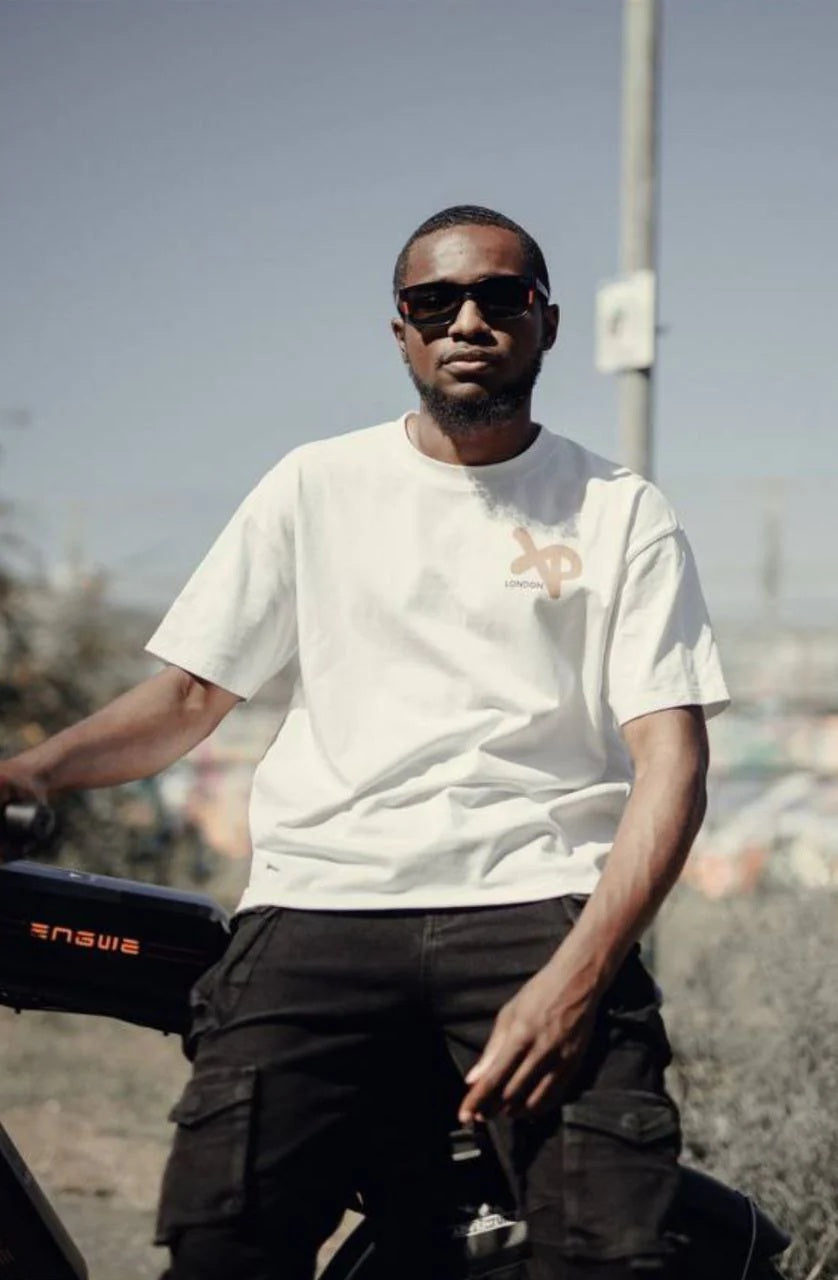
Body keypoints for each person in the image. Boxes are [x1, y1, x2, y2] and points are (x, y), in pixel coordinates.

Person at [0, 204, 729, 1280]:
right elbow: (192, 695)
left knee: (610, 1252)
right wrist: (32, 769)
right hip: (320, 905)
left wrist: (577, 978)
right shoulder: (315, 485)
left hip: (535, 904)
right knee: (223, 1243)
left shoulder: (620, 511)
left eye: (500, 296)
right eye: (435, 301)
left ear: (547, 321)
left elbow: (671, 760)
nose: (467, 319)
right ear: (401, 331)